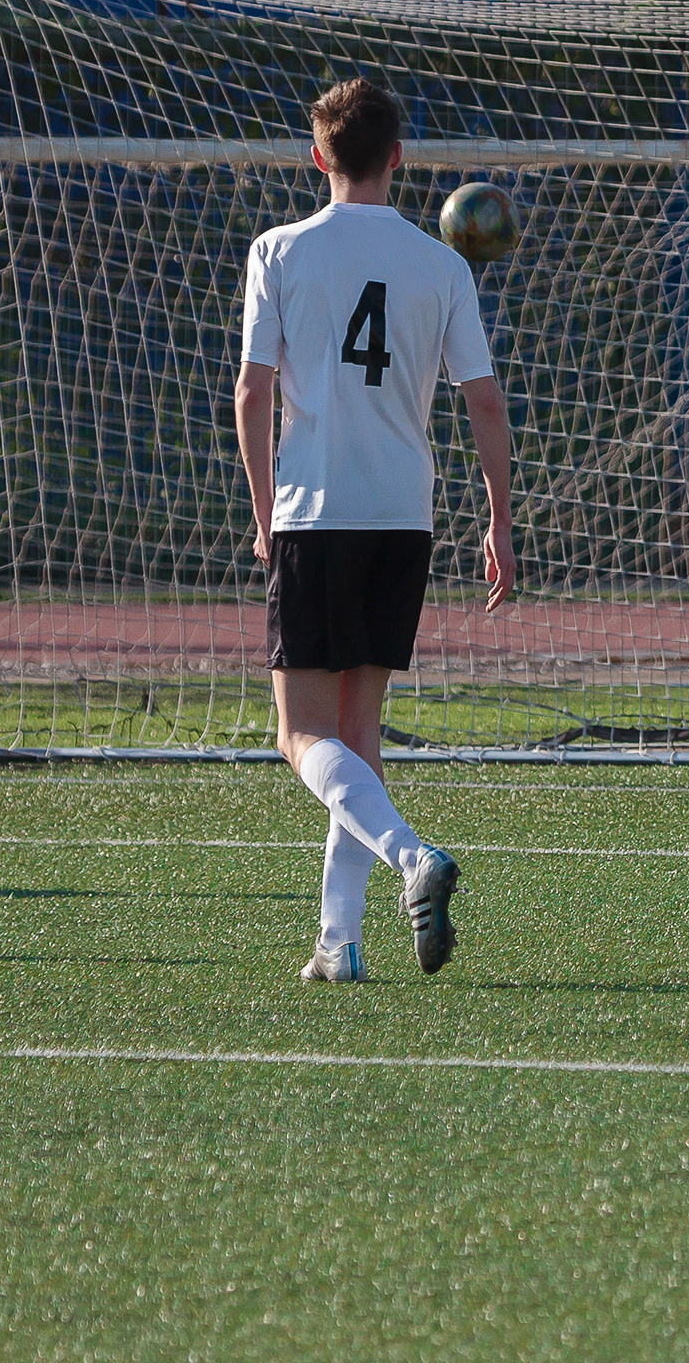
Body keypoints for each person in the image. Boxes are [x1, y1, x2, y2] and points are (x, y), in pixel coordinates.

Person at [234, 77, 519, 984]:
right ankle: (339, 940)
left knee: (300, 737)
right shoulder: (444, 266)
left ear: (318, 156)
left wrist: (263, 513)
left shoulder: (279, 250)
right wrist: (500, 518)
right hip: (403, 516)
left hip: (316, 512)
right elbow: (485, 402)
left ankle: (411, 856)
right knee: (359, 736)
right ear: (398, 157)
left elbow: (252, 392)